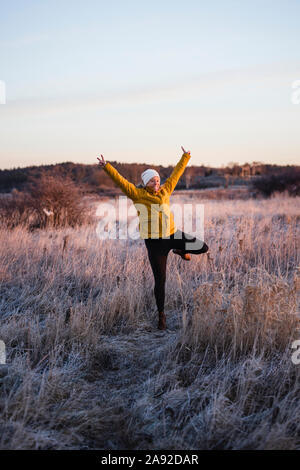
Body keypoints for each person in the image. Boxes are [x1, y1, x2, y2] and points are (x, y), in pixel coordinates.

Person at [97, 146, 209, 330]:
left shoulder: (165, 190)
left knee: (203, 247)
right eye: (152, 181)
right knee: (160, 280)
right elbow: (121, 182)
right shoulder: (138, 195)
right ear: (146, 183)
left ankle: (180, 250)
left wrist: (185, 157)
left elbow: (176, 174)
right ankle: (161, 315)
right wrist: (106, 166)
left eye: (157, 180)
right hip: (154, 243)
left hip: (172, 235)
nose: (156, 183)